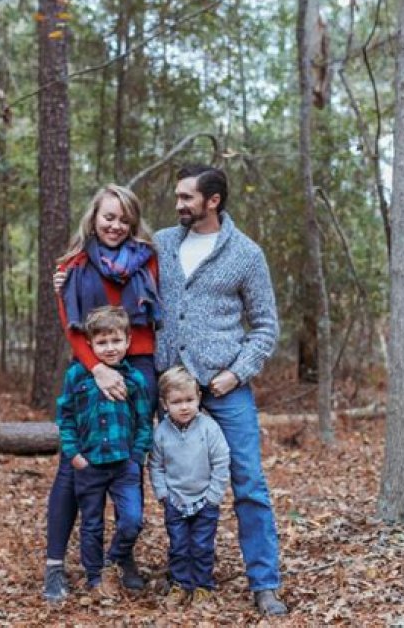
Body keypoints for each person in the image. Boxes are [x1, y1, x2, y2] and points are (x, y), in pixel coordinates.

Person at [153, 164, 288, 616]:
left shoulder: (246, 254)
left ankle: (265, 584)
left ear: (213, 201)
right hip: (174, 390)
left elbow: (265, 326)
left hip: (225, 388)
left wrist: (237, 372)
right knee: (175, 482)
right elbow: (117, 268)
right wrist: (67, 277)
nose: (178, 204)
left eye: (187, 197)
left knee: (248, 483)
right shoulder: (162, 243)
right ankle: (184, 574)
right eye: (178, 196)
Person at [43, 184, 161, 602]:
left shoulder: (148, 259)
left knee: (130, 461)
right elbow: (72, 329)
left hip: (140, 365)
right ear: (94, 218)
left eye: (124, 219)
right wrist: (96, 370)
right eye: (109, 217)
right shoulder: (72, 266)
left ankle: (122, 558)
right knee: (74, 466)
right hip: (90, 367)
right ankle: (55, 565)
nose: (116, 225)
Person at [57, 306, 153, 596]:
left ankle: (113, 559)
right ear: (89, 344)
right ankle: (95, 578)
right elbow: (66, 417)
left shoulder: (135, 380)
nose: (110, 348)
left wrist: (136, 457)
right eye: (102, 342)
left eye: (116, 341)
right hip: (90, 463)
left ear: (128, 341)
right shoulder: (77, 376)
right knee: (92, 524)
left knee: (132, 520)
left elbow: (144, 422)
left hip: (124, 465)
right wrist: (74, 455)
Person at [149, 366, 230, 605]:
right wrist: (163, 494)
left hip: (205, 499)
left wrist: (213, 496)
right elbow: (156, 465)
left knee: (202, 546)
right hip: (175, 500)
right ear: (165, 404)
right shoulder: (161, 432)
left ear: (199, 398)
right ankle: (181, 584)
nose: (184, 407)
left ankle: (203, 585)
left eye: (189, 400)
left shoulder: (209, 428)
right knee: (179, 546)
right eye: (176, 402)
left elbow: (221, 461)